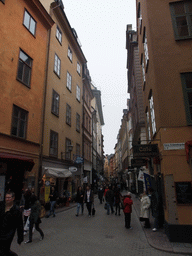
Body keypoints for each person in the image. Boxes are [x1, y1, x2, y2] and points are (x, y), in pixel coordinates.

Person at [0, 191, 23, 256]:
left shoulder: (16, 210)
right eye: (6, 197)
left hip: (8, 233)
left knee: (4, 250)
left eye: (9, 197)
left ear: (13, 198)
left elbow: (20, 225)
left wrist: (20, 238)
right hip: (0, 231)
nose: (7, 199)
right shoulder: (1, 206)